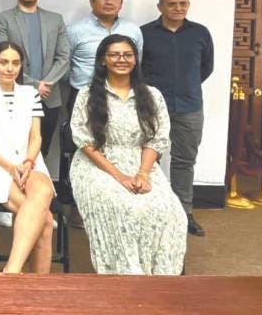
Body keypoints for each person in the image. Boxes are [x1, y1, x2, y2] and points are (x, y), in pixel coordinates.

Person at [69, 35, 187, 275]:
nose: (121, 59)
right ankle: (127, 277)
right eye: (114, 55)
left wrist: (143, 173)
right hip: (97, 164)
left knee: (171, 211)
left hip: (141, 162)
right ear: (103, 60)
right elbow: (85, 142)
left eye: (127, 55)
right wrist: (120, 176)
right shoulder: (87, 95)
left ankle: (161, 277)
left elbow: (157, 139)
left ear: (135, 59)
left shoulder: (152, 95)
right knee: (126, 208)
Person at [0, 41, 55, 274]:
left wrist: (28, 162)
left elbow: (36, 136)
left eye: (15, 63)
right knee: (45, 221)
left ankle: (12, 272)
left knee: (44, 190)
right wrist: (8, 166)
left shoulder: (30, 94)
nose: (10, 68)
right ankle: (24, 278)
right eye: (4, 62)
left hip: (28, 161)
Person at [64, 0, 143, 228]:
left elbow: (136, 64)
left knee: (120, 146)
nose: (109, 1)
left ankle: (118, 198)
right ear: (92, 1)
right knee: (83, 149)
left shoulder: (133, 30)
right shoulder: (75, 31)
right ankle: (79, 205)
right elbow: (64, 64)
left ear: (121, 2)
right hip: (85, 98)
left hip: (122, 97)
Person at [141, 0, 214, 237]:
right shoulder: (144, 34)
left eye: (183, 3)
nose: (178, 8)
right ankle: (150, 210)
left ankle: (184, 213)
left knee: (184, 161)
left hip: (189, 106)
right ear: (160, 6)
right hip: (152, 107)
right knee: (148, 160)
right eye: (172, 4)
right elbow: (136, 69)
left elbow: (206, 67)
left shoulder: (200, 33)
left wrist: (186, 85)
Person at [0, 0, 71, 157]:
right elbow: (0, 57)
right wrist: (34, 85)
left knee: (41, 151)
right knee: (11, 150)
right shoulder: (3, 19)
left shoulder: (55, 19)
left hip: (48, 97)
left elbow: (64, 56)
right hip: (13, 94)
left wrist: (45, 84)